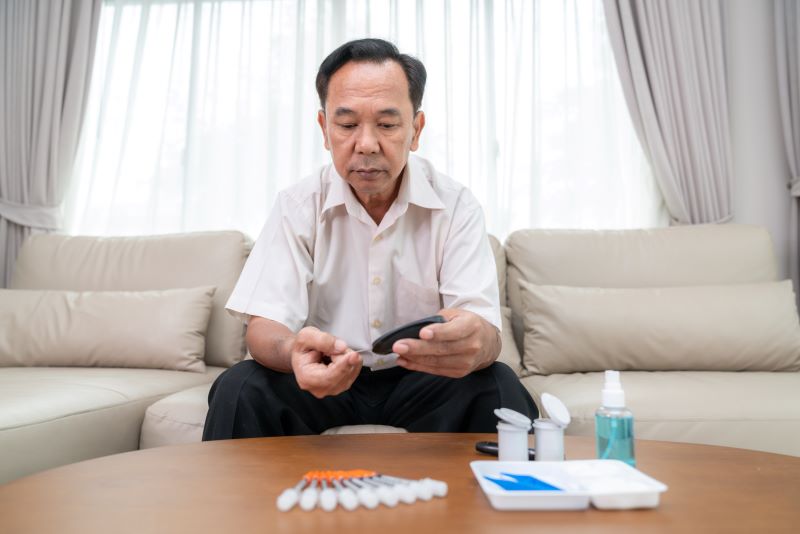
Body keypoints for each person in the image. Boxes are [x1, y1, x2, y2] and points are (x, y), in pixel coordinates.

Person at [202, 38, 537, 440]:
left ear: (415, 129)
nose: (366, 144)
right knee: (240, 387)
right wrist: (296, 353)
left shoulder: (457, 205)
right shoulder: (297, 205)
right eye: (346, 125)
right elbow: (265, 326)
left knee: (499, 387)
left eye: (387, 124)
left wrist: (470, 341)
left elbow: (483, 331)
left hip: (424, 376)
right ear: (325, 129)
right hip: (327, 377)